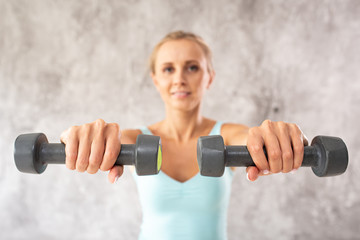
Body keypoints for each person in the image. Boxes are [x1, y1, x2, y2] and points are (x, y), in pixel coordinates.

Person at [60, 31, 308, 240]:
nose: (179, 79)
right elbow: (109, 142)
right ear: (156, 81)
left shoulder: (226, 135)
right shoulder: (135, 140)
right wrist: (78, 139)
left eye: (192, 67)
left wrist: (273, 138)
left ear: (209, 77)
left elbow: (251, 139)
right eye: (168, 69)